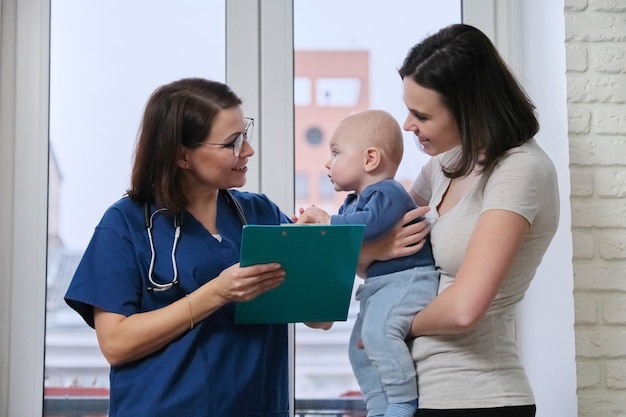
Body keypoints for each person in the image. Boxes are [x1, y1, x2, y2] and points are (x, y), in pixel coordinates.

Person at [64, 78, 323, 417]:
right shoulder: (125, 224)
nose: (247, 151)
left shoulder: (259, 214)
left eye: (245, 135)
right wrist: (217, 293)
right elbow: (115, 344)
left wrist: (318, 247)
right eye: (232, 143)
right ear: (182, 155)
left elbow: (320, 319)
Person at [358, 24, 560, 417]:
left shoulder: (520, 171)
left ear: (470, 110)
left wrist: (387, 327)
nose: (407, 125)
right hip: (419, 397)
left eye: (421, 114)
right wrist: (373, 247)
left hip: (478, 398)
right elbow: (378, 260)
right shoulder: (444, 165)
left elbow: (465, 309)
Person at [297, 109, 439, 417]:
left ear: (370, 159)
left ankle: (402, 401)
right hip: (382, 286)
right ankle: (378, 404)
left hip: (409, 280)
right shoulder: (354, 202)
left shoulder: (388, 191)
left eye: (335, 153)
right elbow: (347, 247)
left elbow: (370, 227)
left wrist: (327, 220)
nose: (327, 163)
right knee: (359, 347)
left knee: (377, 335)